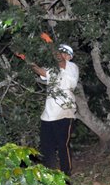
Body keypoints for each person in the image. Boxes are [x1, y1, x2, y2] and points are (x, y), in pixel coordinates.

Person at [31, 44, 79, 175]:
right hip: (48, 115)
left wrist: (50, 43)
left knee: (63, 145)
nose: (60, 55)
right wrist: (25, 57)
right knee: (47, 147)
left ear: (69, 56)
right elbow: (40, 71)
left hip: (65, 112)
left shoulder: (71, 67)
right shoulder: (53, 69)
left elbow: (60, 61)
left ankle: (66, 174)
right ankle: (49, 173)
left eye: (64, 53)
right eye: (60, 52)